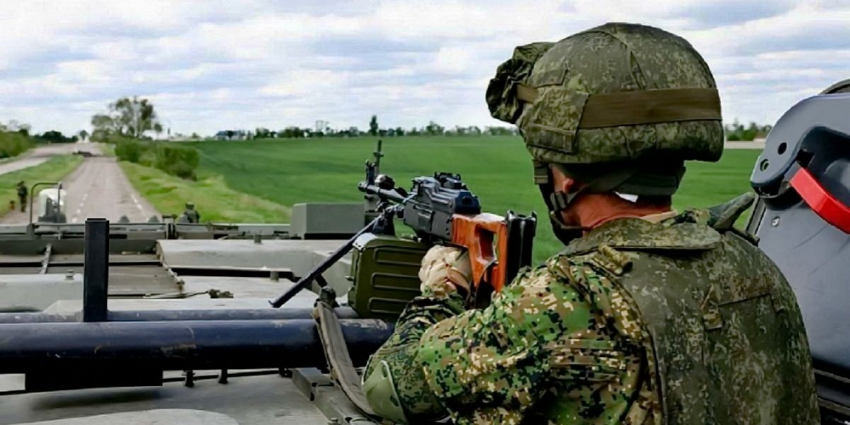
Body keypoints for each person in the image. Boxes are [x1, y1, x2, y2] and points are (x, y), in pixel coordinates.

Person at [362, 23, 820, 424]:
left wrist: (444, 287)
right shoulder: (750, 261)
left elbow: (388, 387)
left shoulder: (566, 299)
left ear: (565, 175)